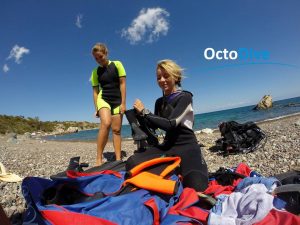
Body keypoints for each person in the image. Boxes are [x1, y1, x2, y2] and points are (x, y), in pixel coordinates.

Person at [129, 59, 208, 191]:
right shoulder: (159, 102)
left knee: (197, 185)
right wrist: (139, 116)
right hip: (167, 147)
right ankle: (171, 172)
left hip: (187, 146)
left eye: (166, 76)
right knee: (131, 163)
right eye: (159, 77)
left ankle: (180, 170)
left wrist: (145, 112)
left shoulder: (185, 97)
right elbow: (154, 127)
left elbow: (171, 123)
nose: (162, 80)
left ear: (176, 77)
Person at [90, 43, 126, 166]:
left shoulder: (117, 64)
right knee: (106, 123)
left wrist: (123, 103)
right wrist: (96, 108)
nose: (99, 60)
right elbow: (95, 92)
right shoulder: (95, 72)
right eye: (96, 59)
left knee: (116, 130)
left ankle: (118, 159)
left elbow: (122, 84)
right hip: (103, 98)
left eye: (100, 57)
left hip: (117, 100)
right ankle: (99, 159)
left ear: (106, 53)